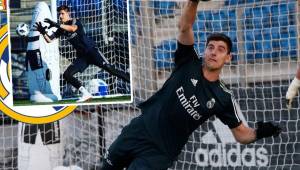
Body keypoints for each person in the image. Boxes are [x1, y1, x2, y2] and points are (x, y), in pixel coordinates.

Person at [101, 0, 281, 169]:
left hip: (159, 153)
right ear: (204, 50)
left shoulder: (223, 96)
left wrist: (259, 133)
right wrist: (194, 1)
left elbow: (241, 134)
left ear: (228, 58)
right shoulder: (188, 62)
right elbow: (184, 27)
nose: (214, 52)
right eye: (210, 47)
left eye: (220, 50)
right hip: (138, 131)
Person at [34, 5, 130, 102]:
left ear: (68, 13)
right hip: (82, 57)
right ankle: (86, 94)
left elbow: (72, 28)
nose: (60, 16)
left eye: (62, 14)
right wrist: (43, 32)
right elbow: (49, 40)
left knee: (110, 70)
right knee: (67, 74)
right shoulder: (61, 28)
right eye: (59, 14)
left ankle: (130, 81)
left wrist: (57, 25)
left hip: (92, 51)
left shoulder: (75, 21)